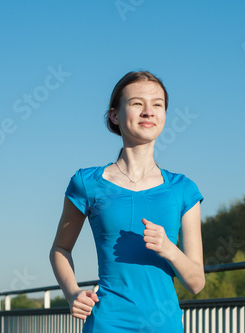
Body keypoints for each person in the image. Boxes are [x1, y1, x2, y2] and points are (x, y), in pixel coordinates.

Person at [50, 71, 205, 332]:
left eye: (157, 104)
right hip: (106, 323)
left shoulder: (183, 190)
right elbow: (60, 249)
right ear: (114, 115)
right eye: (137, 103)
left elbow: (197, 282)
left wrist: (168, 248)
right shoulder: (86, 182)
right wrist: (72, 292)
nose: (149, 112)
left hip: (164, 326)